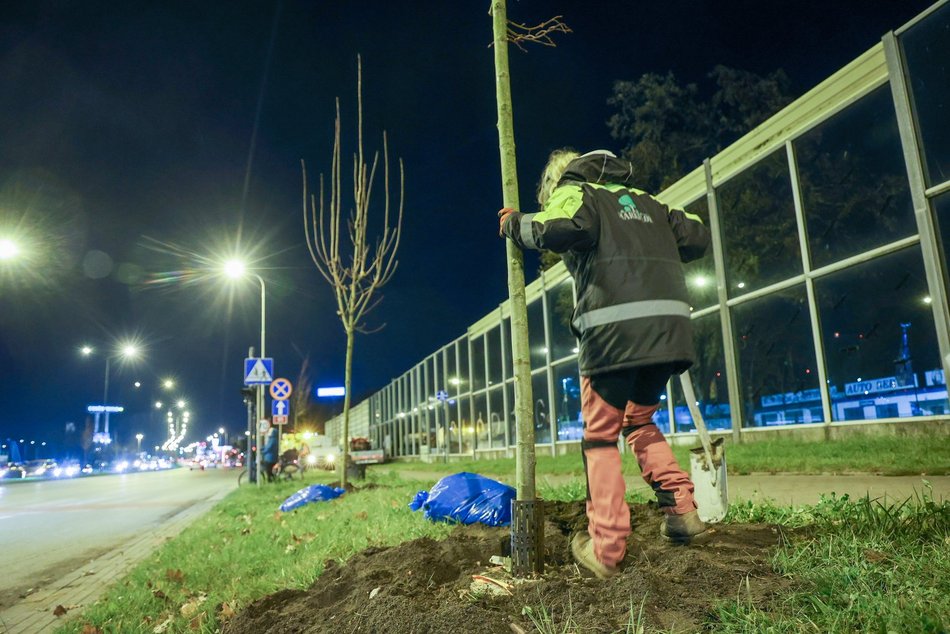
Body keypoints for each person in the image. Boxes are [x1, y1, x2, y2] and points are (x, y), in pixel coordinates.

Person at [498, 149, 712, 579]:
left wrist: (513, 223)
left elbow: (557, 228)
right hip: (670, 330)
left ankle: (607, 548)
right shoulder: (649, 201)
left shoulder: (577, 193)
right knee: (638, 420)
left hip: (615, 334)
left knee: (599, 436)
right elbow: (696, 236)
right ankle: (683, 514)